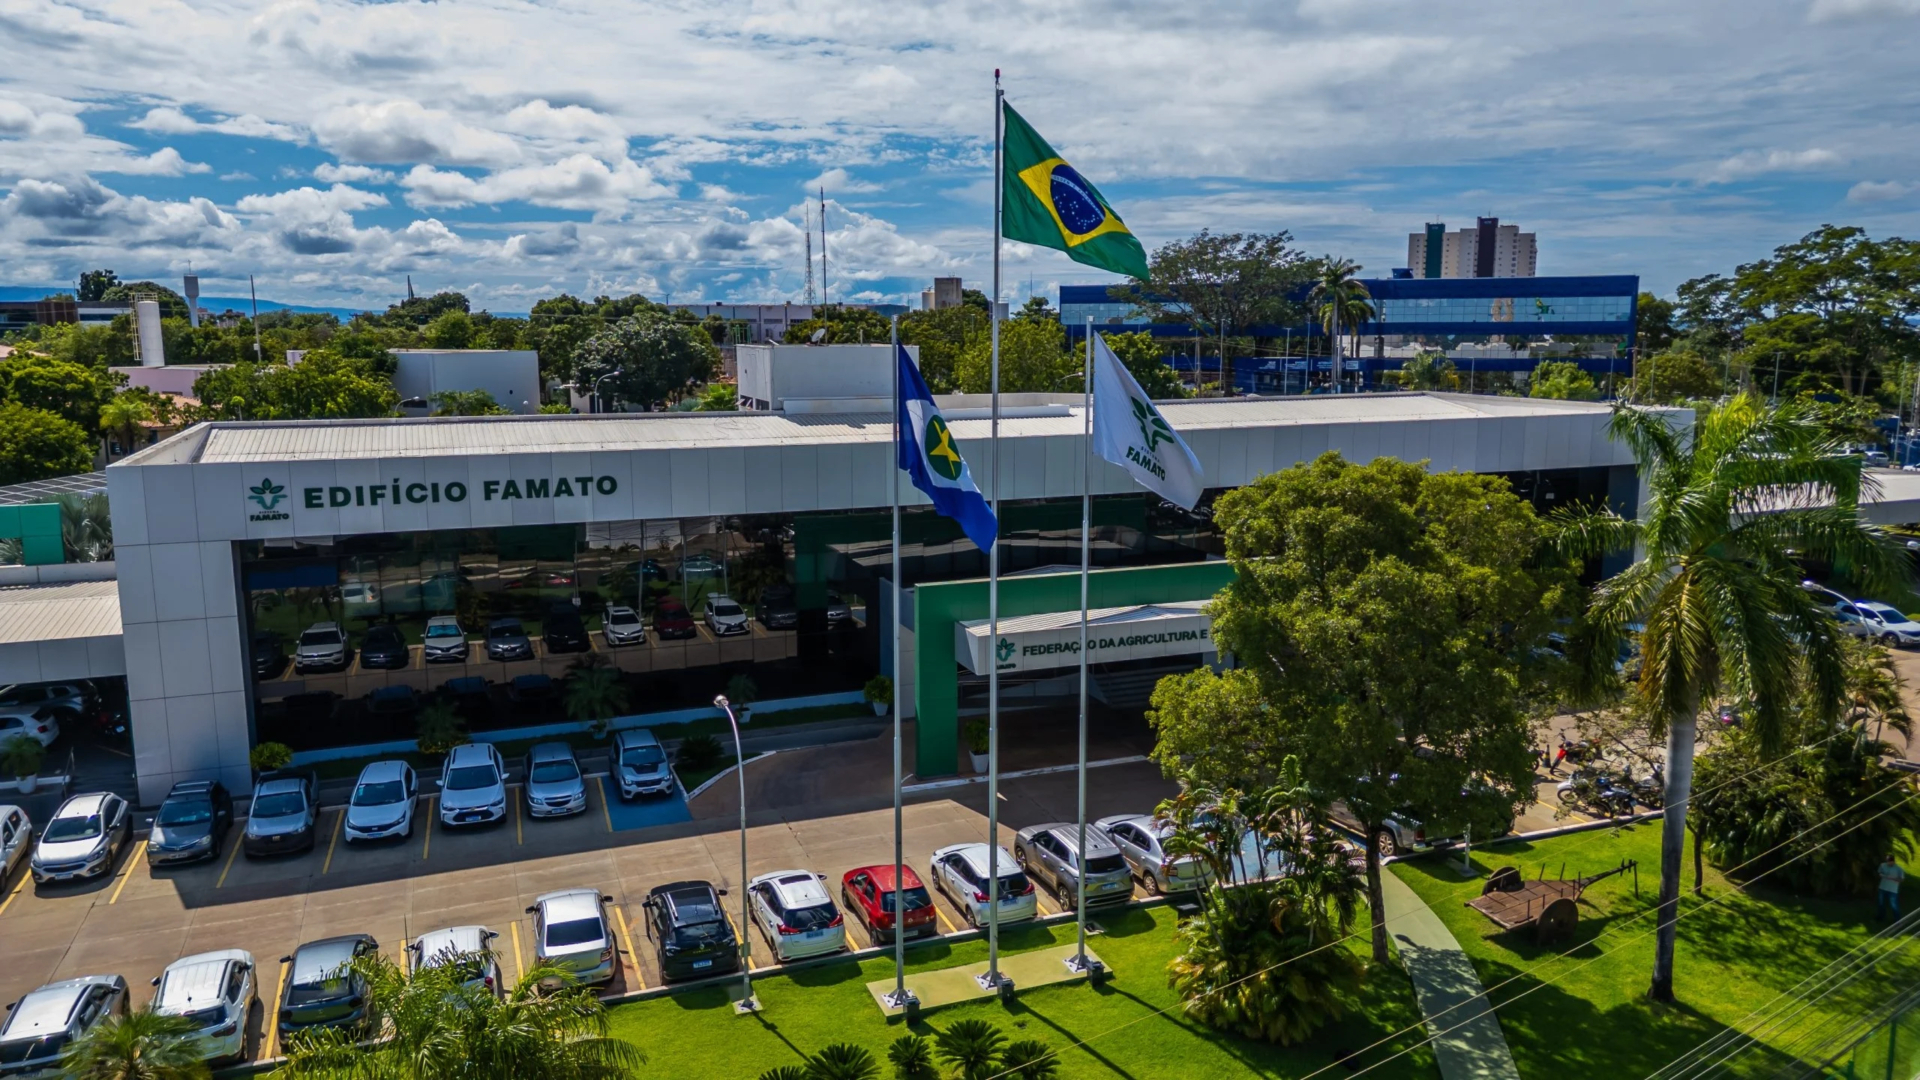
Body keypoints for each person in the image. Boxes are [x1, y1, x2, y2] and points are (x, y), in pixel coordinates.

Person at [1879, 854, 1906, 921]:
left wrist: (1894, 879)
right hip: (1883, 887)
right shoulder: (1882, 865)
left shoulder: (1898, 869)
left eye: (1889, 862)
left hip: (1893, 890)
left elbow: (1902, 879)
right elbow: (1880, 872)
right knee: (1881, 904)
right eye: (1887, 861)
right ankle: (1881, 917)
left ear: (1893, 861)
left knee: (1894, 905)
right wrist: (1883, 875)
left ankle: (1897, 920)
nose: (1888, 863)